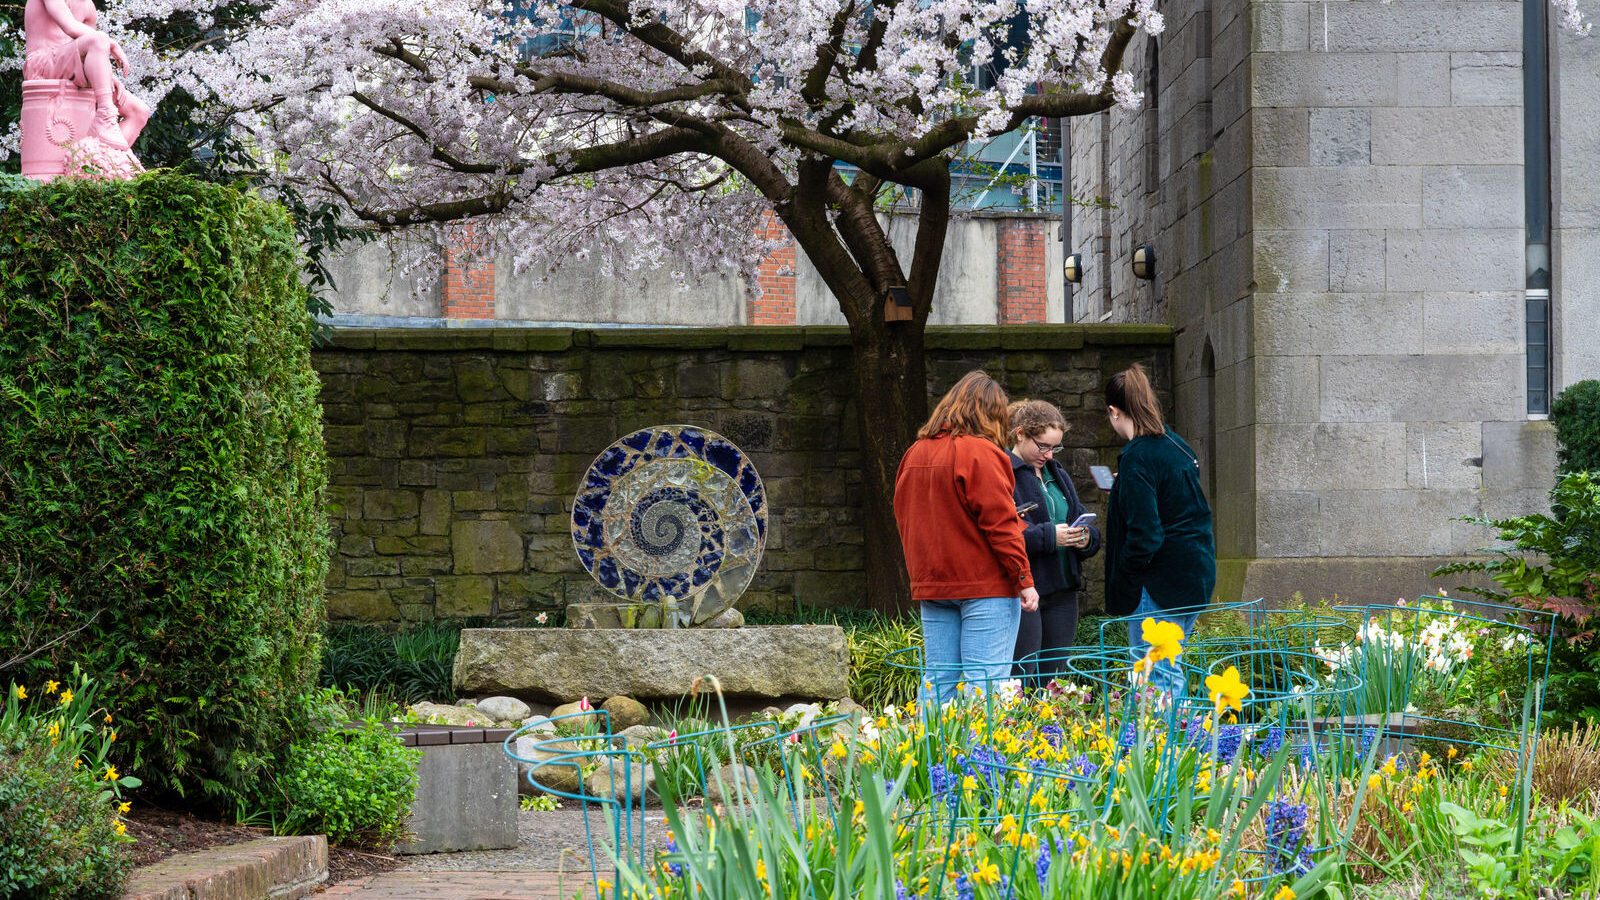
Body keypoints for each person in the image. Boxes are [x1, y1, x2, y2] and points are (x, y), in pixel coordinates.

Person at [894, 371, 1039, 704]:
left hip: (934, 585)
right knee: (984, 685)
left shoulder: (915, 453)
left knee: (937, 683)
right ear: (991, 413)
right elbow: (1000, 524)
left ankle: (928, 753)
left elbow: (907, 516)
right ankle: (978, 756)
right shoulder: (981, 453)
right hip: (985, 585)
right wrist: (1024, 579)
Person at [1102, 363, 1215, 696]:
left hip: (1157, 584)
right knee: (1168, 669)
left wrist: (1125, 576)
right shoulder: (1177, 445)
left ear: (1114, 411)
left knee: (1155, 675)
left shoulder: (1138, 457)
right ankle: (1173, 744)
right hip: (1193, 576)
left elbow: (1147, 535)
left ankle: (1162, 748)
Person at [1007, 400, 1101, 687]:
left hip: (1063, 592)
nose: (1048, 455)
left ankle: (1051, 733)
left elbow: (1080, 518)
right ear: (1020, 434)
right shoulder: (1003, 473)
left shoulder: (1057, 473)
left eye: (1055, 448)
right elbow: (1005, 534)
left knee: (1055, 682)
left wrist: (1085, 538)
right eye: (1043, 446)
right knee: (1023, 680)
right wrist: (1051, 537)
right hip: (1026, 593)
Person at [23, 0, 151, 150]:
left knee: (139, 111)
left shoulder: (88, 6)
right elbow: (70, 26)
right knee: (99, 38)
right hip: (41, 64)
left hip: (74, 67)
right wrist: (113, 44)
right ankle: (105, 115)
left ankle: (101, 162)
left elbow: (93, 51)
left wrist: (107, 75)